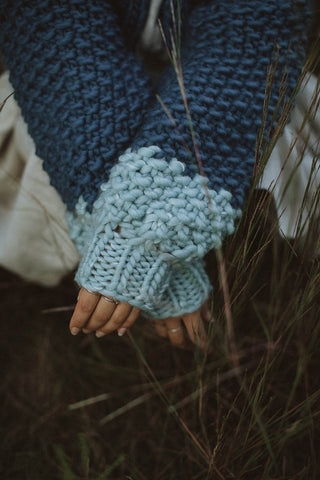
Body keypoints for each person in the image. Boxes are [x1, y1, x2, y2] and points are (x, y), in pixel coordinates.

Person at [0, 0, 313, 348]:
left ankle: (264, 265)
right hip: (69, 104)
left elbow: (243, 51)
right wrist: (134, 236)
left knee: (273, 139)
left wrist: (149, 238)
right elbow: (63, 53)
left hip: (228, 100)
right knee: (55, 145)